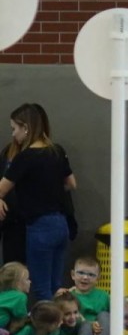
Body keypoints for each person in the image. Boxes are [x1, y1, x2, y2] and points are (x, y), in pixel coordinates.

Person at [0, 104, 76, 301]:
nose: (14, 134)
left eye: (14, 128)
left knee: (41, 290)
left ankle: (47, 331)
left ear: (26, 128)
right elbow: (71, 183)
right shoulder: (56, 151)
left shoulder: (24, 157)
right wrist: (48, 190)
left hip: (40, 227)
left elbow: (1, 189)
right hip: (61, 225)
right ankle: (58, 329)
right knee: (56, 286)